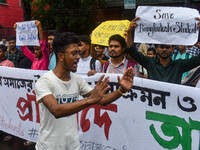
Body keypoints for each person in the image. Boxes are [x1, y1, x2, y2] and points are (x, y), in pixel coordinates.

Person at [35, 32, 134, 150]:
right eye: (74, 53)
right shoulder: (44, 81)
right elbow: (56, 110)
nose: (78, 56)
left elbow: (101, 100)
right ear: (61, 56)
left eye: (78, 52)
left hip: (73, 146)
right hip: (48, 147)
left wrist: (121, 90)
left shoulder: (77, 80)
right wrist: (89, 101)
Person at [125, 17, 200, 84]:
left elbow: (198, 60)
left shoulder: (179, 65)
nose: (164, 49)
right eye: (161, 47)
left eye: (167, 47)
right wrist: (129, 31)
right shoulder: (150, 62)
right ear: (156, 49)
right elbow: (132, 51)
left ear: (173, 49)